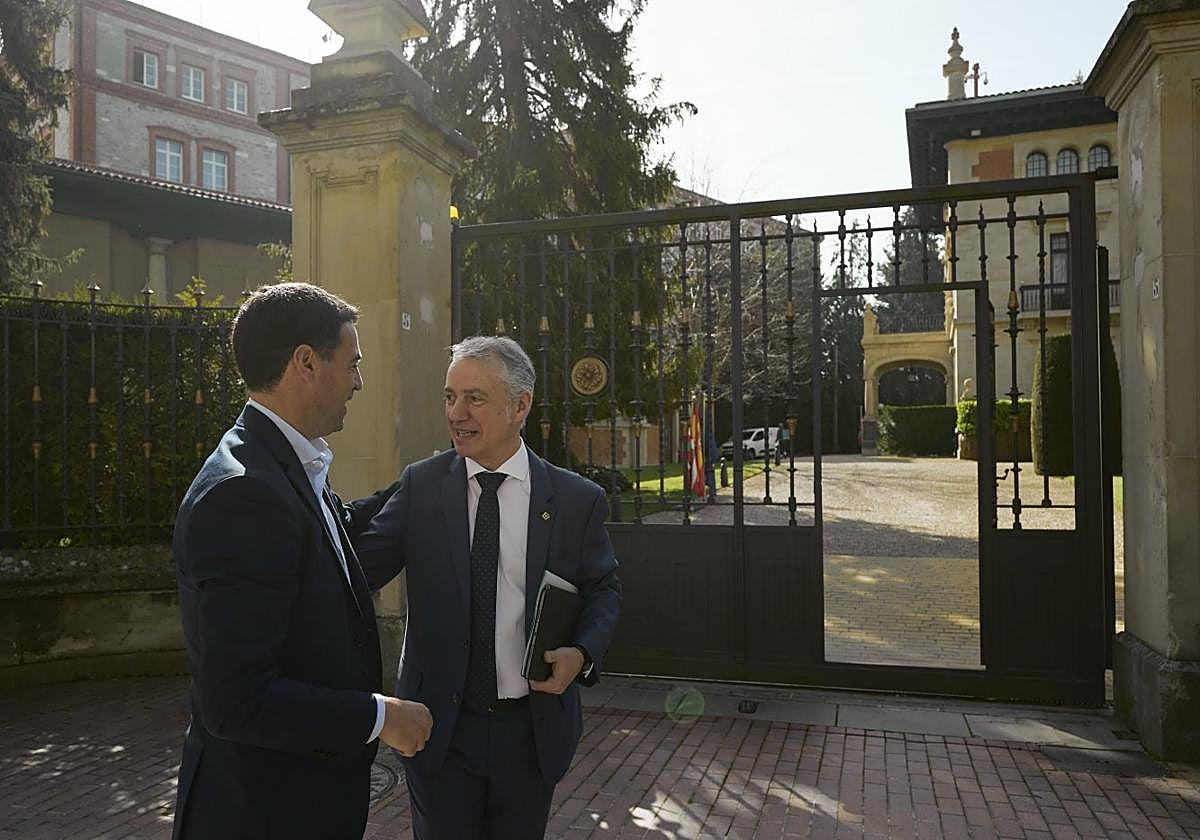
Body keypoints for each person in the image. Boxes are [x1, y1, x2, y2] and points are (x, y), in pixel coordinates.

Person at [171, 282, 433, 840]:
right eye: (353, 364)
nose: (359, 381)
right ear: (306, 363)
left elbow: (335, 535)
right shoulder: (242, 494)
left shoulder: (278, 459)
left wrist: (421, 482)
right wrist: (382, 717)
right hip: (263, 812)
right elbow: (238, 701)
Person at [356, 335, 622, 839]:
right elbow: (356, 573)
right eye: (449, 396)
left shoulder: (575, 500)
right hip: (438, 731)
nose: (457, 412)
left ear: (520, 405)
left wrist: (582, 653)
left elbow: (603, 588)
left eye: (474, 397)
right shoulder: (422, 487)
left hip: (531, 732)